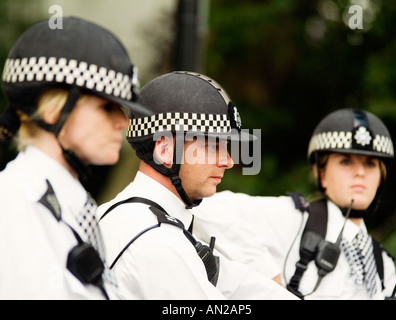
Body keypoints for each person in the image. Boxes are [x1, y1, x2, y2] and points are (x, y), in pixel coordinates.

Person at [97, 71, 297, 299]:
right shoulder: (157, 240)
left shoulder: (124, 215)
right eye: (213, 147)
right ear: (165, 150)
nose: (228, 161)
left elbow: (236, 282)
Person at [0, 17, 149, 299]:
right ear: (53, 111)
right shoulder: (16, 207)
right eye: (106, 107)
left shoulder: (62, 203)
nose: (123, 122)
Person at [192, 108, 396, 300]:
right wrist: (270, 279)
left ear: (381, 178)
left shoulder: (383, 264)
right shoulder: (294, 218)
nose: (360, 173)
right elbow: (206, 207)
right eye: (345, 161)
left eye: (371, 164)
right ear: (321, 174)